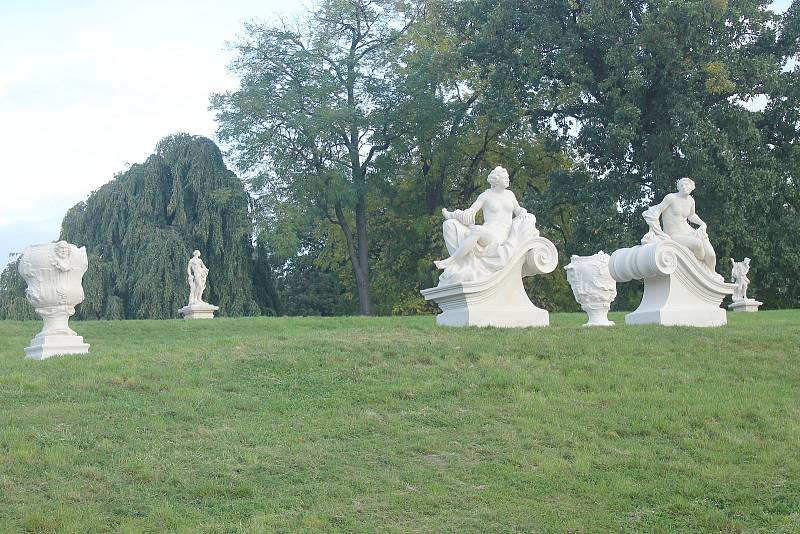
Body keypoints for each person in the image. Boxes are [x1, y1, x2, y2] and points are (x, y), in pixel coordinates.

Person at [435, 166, 531, 270]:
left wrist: (523, 212)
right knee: (475, 229)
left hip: (504, 235)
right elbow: (472, 211)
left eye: (507, 177)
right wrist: (465, 215)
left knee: (477, 230)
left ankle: (451, 259)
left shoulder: (510, 195)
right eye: (504, 177)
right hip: (489, 233)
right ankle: (452, 260)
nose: (508, 179)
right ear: (496, 180)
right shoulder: (486, 195)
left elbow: (518, 210)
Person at [642, 177, 716, 272]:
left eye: (686, 185)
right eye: (682, 185)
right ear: (678, 187)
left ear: (692, 187)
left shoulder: (691, 200)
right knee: (698, 244)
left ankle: (712, 274)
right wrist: (653, 230)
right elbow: (657, 211)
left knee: (711, 255)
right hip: (674, 234)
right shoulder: (671, 198)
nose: (684, 187)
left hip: (690, 232)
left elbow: (691, 215)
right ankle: (700, 265)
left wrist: (703, 224)